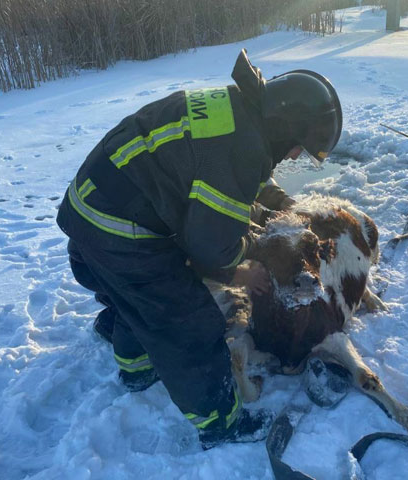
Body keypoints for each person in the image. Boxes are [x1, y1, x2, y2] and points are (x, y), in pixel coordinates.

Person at [56, 49, 342, 449]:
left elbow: (225, 171)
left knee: (138, 297)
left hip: (91, 207)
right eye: (297, 147)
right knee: (188, 320)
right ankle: (219, 422)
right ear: (283, 127)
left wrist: (281, 203)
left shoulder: (238, 109)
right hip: (119, 229)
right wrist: (242, 270)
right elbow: (210, 246)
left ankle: (136, 367)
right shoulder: (242, 147)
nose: (294, 156)